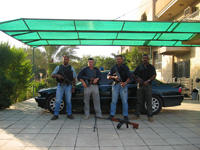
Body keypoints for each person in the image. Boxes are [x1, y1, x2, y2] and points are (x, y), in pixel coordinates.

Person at [51, 55, 77, 120]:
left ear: (68, 60)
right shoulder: (58, 67)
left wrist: (73, 87)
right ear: (62, 60)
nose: (65, 60)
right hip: (60, 85)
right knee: (58, 100)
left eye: (67, 59)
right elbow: (52, 75)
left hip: (68, 86)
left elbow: (74, 78)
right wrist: (57, 75)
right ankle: (56, 114)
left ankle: (69, 114)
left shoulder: (71, 68)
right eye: (64, 59)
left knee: (68, 100)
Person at [132, 54, 156, 122]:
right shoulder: (139, 67)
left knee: (149, 102)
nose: (144, 59)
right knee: (139, 101)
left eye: (146, 58)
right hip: (140, 85)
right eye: (143, 58)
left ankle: (150, 116)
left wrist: (147, 81)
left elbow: (154, 75)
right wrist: (137, 80)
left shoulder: (151, 67)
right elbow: (133, 74)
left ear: (148, 59)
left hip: (148, 85)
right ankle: (137, 115)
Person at [107, 55, 131, 120]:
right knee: (113, 101)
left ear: (122, 60)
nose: (118, 60)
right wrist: (114, 77)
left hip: (123, 85)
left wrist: (125, 83)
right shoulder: (113, 68)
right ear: (116, 60)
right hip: (115, 85)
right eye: (117, 59)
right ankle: (112, 115)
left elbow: (129, 77)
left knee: (125, 101)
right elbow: (108, 76)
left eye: (119, 59)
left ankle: (125, 115)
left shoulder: (125, 67)